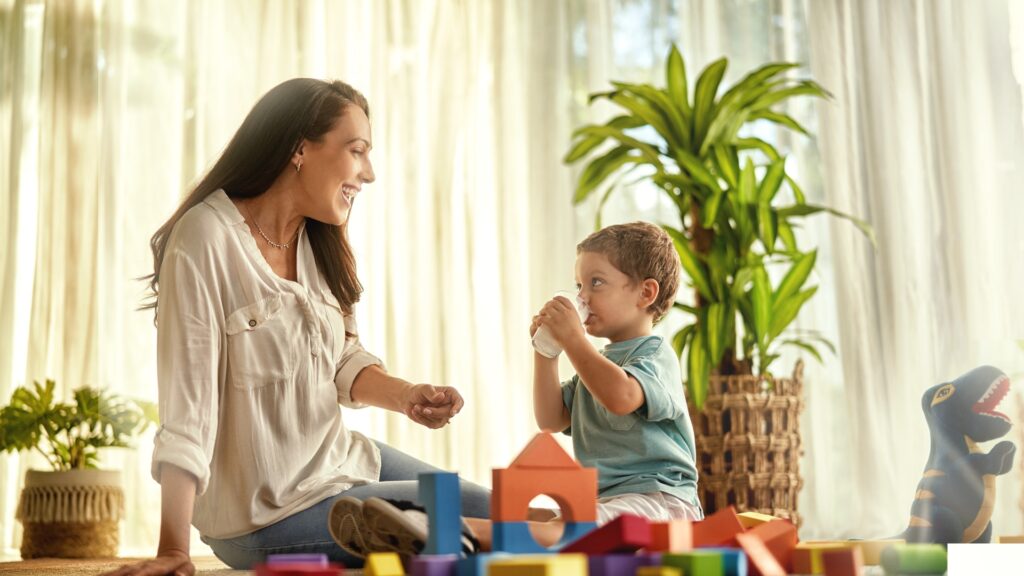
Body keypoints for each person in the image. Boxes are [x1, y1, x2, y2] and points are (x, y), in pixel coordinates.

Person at [103, 79, 490, 576]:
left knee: (511, 512)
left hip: (341, 464)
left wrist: (408, 394)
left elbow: (342, 360)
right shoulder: (206, 238)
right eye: (357, 151)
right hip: (265, 517)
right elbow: (188, 410)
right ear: (299, 149)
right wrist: (173, 550)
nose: (368, 174)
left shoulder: (319, 239)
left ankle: (609, 529)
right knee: (460, 523)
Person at [330, 221, 702, 559]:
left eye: (597, 283)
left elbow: (622, 398)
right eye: (579, 285)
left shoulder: (654, 356)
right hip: (607, 503)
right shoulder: (595, 367)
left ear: (645, 293)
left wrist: (573, 339)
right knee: (539, 522)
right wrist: (546, 353)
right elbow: (551, 417)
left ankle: (441, 529)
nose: (583, 297)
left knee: (560, 531)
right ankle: (425, 531)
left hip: (659, 504)